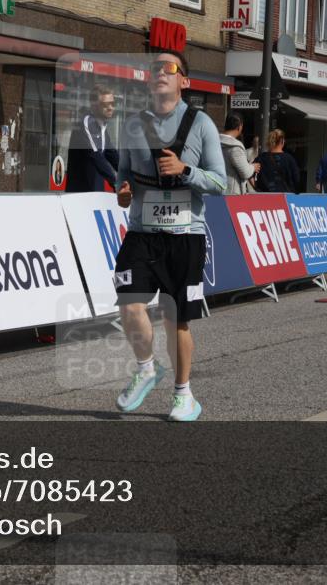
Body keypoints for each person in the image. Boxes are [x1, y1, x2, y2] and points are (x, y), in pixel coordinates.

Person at [113, 50, 226, 422]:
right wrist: (123, 192)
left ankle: (184, 395)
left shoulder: (201, 124)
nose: (160, 72)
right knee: (129, 304)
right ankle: (146, 368)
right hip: (142, 232)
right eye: (155, 68)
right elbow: (123, 175)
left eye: (169, 67)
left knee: (175, 318)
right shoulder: (132, 125)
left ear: (183, 81)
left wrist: (185, 170)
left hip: (185, 234)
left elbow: (221, 183)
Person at [66, 85, 119, 193]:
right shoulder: (86, 123)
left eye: (113, 104)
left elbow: (112, 155)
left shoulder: (102, 127)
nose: (110, 108)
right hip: (80, 194)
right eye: (105, 104)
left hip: (95, 193)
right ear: (93, 106)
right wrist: (115, 181)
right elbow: (95, 155)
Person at [251, 129, 300, 193]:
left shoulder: (261, 158)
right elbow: (297, 179)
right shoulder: (289, 158)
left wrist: (257, 188)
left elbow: (249, 173)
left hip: (265, 195)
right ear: (282, 141)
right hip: (285, 196)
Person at [219, 113, 258, 195]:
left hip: (216, 191)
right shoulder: (235, 147)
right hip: (232, 194)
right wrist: (253, 167)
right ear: (239, 127)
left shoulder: (214, 142)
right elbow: (245, 172)